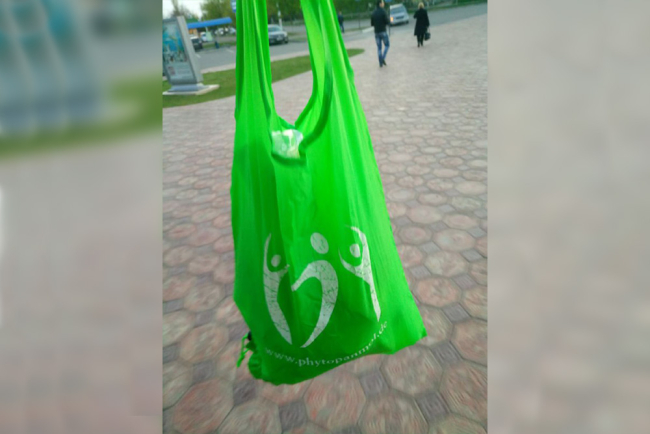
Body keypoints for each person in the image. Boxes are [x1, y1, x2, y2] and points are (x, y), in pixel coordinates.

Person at [371, 1, 390, 67]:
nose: (383, 4)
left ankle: (380, 62)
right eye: (382, 3)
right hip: (383, 31)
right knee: (387, 45)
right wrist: (389, 20)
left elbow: (372, 24)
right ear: (380, 4)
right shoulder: (383, 11)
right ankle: (383, 58)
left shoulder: (373, 12)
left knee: (379, 48)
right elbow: (387, 21)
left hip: (376, 32)